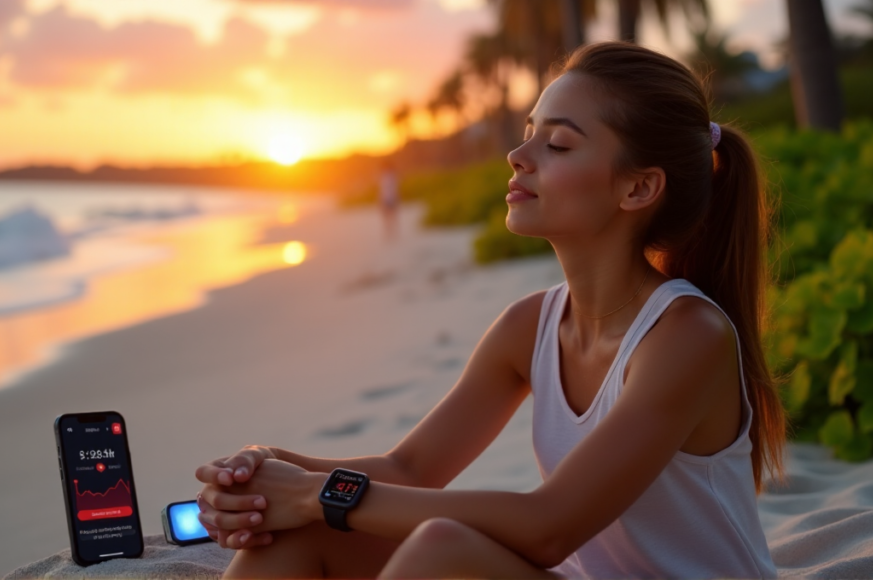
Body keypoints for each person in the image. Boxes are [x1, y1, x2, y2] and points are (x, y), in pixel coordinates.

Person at [194, 41, 786, 579]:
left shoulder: (688, 336)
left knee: (438, 549)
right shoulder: (528, 327)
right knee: (291, 538)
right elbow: (411, 466)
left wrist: (315, 493)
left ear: (637, 189)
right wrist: (268, 467)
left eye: (557, 144)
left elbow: (548, 527)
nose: (517, 155)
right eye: (530, 132)